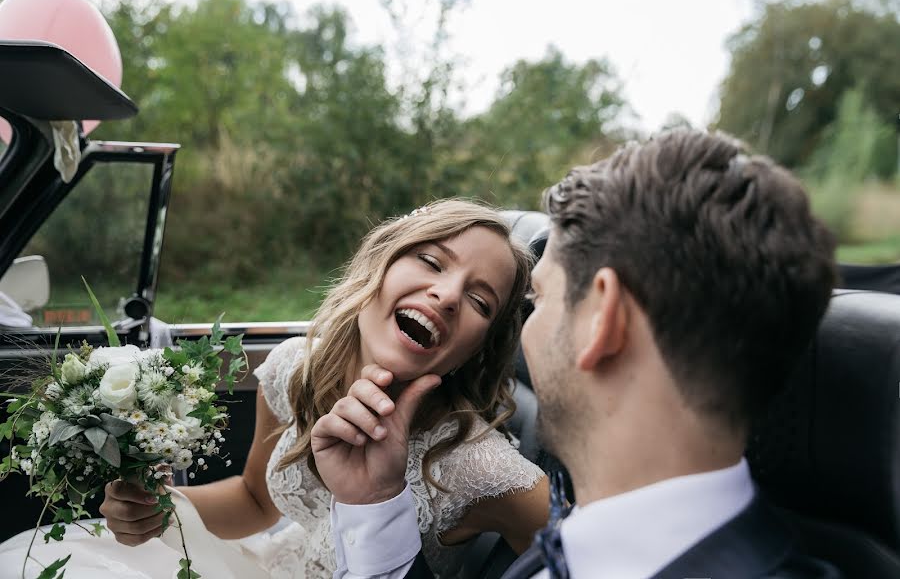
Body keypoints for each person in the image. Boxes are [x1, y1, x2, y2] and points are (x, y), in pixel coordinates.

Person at [312, 129, 842, 578]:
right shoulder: (579, 540)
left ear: (603, 319)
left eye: (538, 300)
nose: (522, 337)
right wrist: (375, 502)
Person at [0, 199, 550, 578]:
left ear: (478, 347)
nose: (448, 295)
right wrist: (158, 506)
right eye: (431, 261)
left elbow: (578, 556)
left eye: (480, 301)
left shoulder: (478, 465)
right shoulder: (294, 369)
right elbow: (255, 501)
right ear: (379, 267)